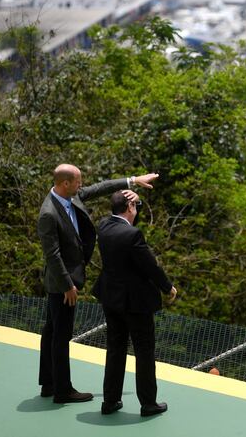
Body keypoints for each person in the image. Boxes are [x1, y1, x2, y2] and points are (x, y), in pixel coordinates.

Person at [37, 164, 158, 404]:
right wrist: (67, 285)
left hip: (66, 279)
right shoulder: (48, 213)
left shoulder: (71, 196)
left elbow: (101, 188)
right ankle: (62, 390)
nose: (82, 185)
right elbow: (52, 254)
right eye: (78, 181)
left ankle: (49, 383)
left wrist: (133, 180)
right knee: (60, 335)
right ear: (65, 184)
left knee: (51, 330)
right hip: (62, 282)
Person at [92, 190, 177, 417]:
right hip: (135, 303)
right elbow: (150, 266)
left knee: (115, 349)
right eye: (136, 205)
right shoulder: (133, 235)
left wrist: (128, 193)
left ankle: (110, 401)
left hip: (111, 298)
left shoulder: (104, 226)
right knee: (144, 351)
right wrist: (167, 287)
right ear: (130, 208)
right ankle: (148, 403)